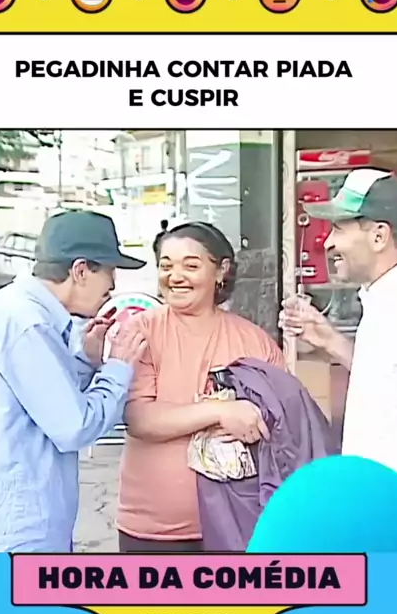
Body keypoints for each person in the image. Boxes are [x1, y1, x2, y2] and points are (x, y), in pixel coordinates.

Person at [0, 211, 146, 552]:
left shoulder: (15, 312)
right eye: (109, 270)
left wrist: (87, 360)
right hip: (10, 537)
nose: (113, 286)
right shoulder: (26, 324)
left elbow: (40, 402)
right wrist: (118, 366)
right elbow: (74, 427)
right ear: (80, 271)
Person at [118, 221, 285, 552]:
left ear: (221, 270)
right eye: (166, 266)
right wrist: (219, 411)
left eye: (191, 266)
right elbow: (139, 418)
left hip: (239, 524)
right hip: (155, 530)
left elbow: (282, 424)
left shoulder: (255, 341)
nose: (175, 276)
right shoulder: (141, 331)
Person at [279, 167, 397, 498]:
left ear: (379, 236)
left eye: (339, 228)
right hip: (382, 498)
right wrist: (330, 340)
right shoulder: (385, 296)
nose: (328, 242)